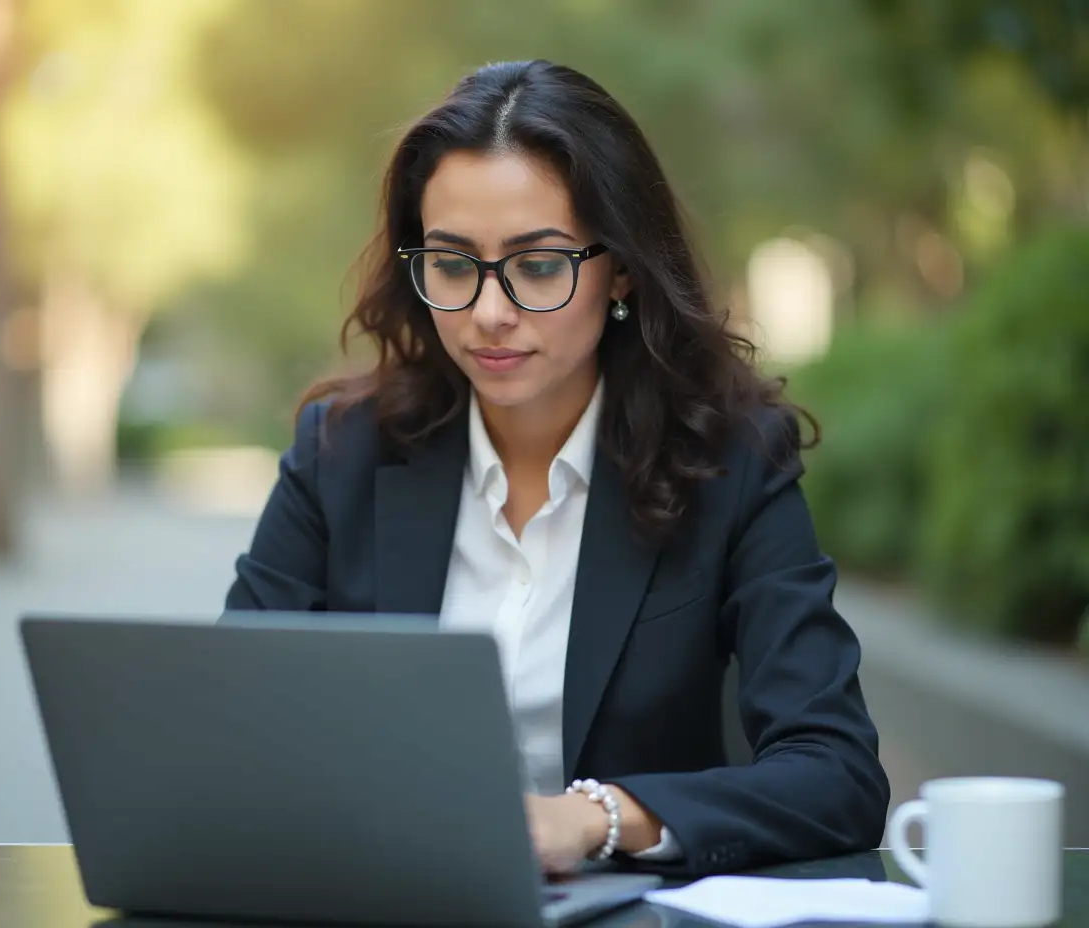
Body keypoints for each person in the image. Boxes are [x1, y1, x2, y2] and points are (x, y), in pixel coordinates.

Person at [224, 59, 889, 877]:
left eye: (538, 266)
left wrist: (597, 818)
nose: (489, 313)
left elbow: (838, 774)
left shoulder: (730, 465)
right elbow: (235, 732)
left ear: (620, 270)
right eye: (453, 264)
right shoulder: (340, 455)